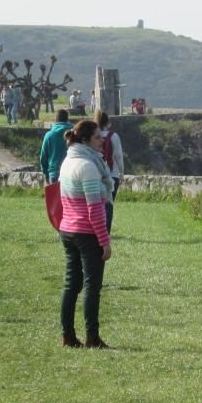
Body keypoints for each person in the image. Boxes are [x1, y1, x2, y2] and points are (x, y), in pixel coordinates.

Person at [58, 120, 114, 349]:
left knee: (71, 285)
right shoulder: (88, 167)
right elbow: (94, 209)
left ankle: (68, 336)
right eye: (98, 137)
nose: (103, 141)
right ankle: (92, 337)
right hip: (86, 232)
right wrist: (105, 241)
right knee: (92, 286)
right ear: (85, 140)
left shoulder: (67, 162)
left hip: (68, 229)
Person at [95, 110, 124, 232]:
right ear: (107, 122)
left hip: (95, 174)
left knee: (96, 204)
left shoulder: (93, 135)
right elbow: (118, 156)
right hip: (112, 174)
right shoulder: (114, 136)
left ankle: (96, 229)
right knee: (109, 204)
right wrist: (122, 172)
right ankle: (106, 231)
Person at [39, 109, 74, 184]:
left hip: (54, 172)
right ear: (67, 119)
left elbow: (43, 156)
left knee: (55, 196)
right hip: (71, 171)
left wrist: (46, 173)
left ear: (56, 120)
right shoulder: (74, 134)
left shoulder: (49, 135)